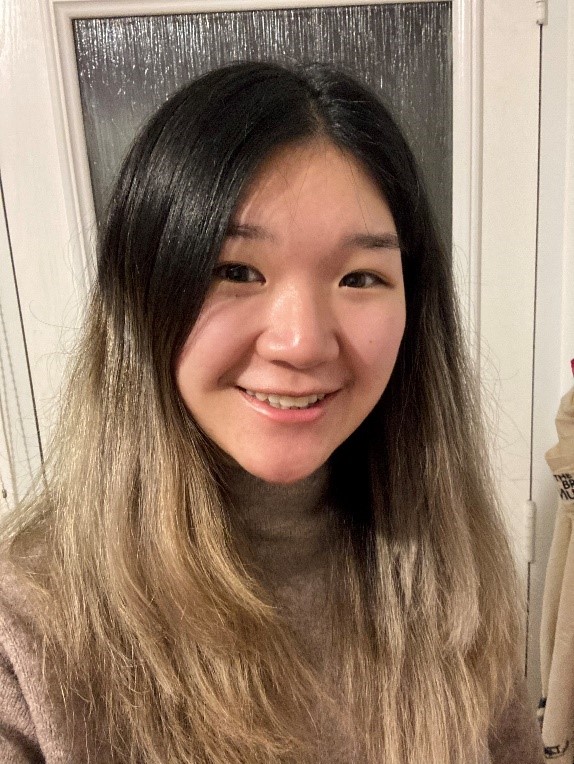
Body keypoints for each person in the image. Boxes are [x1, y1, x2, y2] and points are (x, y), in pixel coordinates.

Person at [0, 61, 543, 763]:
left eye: (359, 277)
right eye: (235, 271)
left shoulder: (456, 576)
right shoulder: (25, 630)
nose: (302, 343)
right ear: (140, 294)